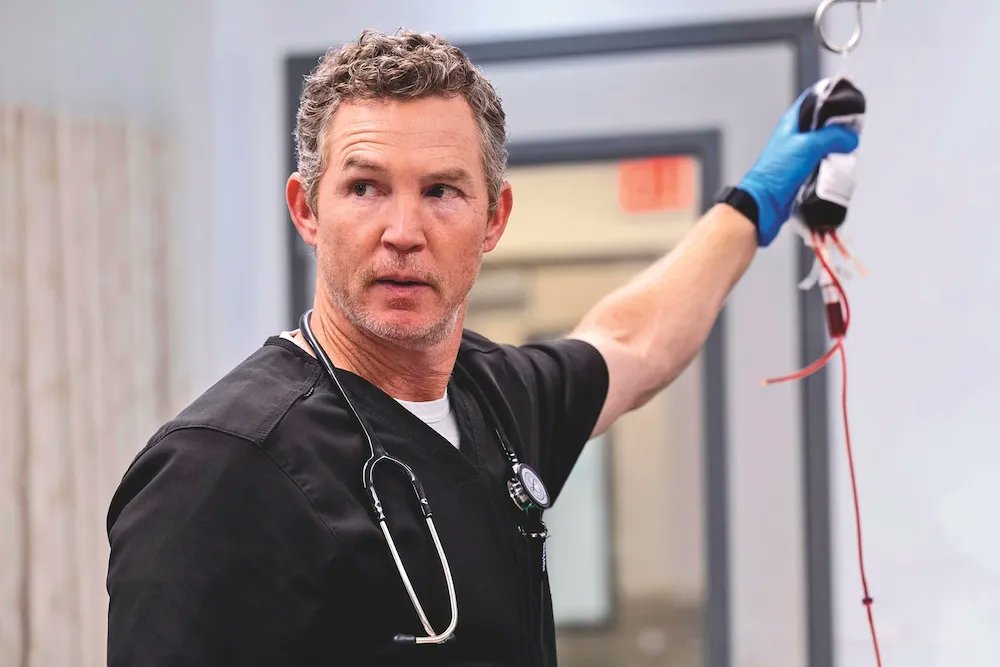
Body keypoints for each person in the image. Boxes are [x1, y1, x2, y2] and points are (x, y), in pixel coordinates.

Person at [106, 28, 859, 667]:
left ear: (494, 218)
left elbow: (634, 339)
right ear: (308, 210)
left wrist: (755, 201)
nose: (403, 230)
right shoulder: (218, 470)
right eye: (366, 187)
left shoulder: (497, 398)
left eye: (442, 191)